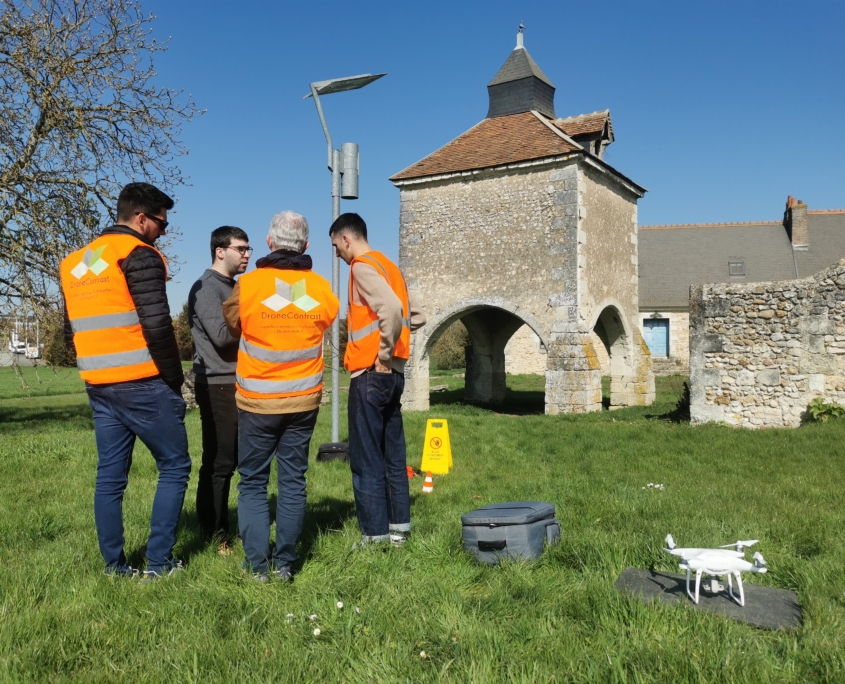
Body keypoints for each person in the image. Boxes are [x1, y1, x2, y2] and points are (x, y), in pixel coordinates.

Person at [60, 182, 191, 580]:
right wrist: (173, 381)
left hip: (98, 385)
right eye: (161, 225)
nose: (162, 232)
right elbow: (156, 325)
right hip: (142, 381)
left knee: (110, 476)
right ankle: (159, 564)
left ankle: (115, 569)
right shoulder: (139, 254)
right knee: (174, 466)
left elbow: (71, 332)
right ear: (140, 218)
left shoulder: (74, 263)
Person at [223, 211, 338, 581]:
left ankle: (257, 566)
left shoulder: (250, 284)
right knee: (292, 481)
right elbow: (326, 321)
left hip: (257, 402)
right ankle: (286, 563)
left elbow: (231, 322)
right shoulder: (321, 289)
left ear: (270, 243)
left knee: (253, 482)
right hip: (303, 401)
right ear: (306, 246)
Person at [328, 213, 426, 546]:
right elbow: (415, 314)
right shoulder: (390, 266)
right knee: (393, 458)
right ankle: (399, 530)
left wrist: (383, 354)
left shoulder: (361, 266)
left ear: (346, 239)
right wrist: (395, 352)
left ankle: (374, 535)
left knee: (366, 458)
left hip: (372, 372)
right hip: (394, 375)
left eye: (336, 248)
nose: (338, 256)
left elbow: (391, 308)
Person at [188, 226, 251, 552]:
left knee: (238, 459)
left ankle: (235, 526)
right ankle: (215, 532)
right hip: (217, 384)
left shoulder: (234, 287)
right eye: (241, 248)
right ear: (220, 251)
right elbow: (224, 337)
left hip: (241, 381)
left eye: (248, 248)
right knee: (220, 461)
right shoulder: (207, 289)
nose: (247, 255)